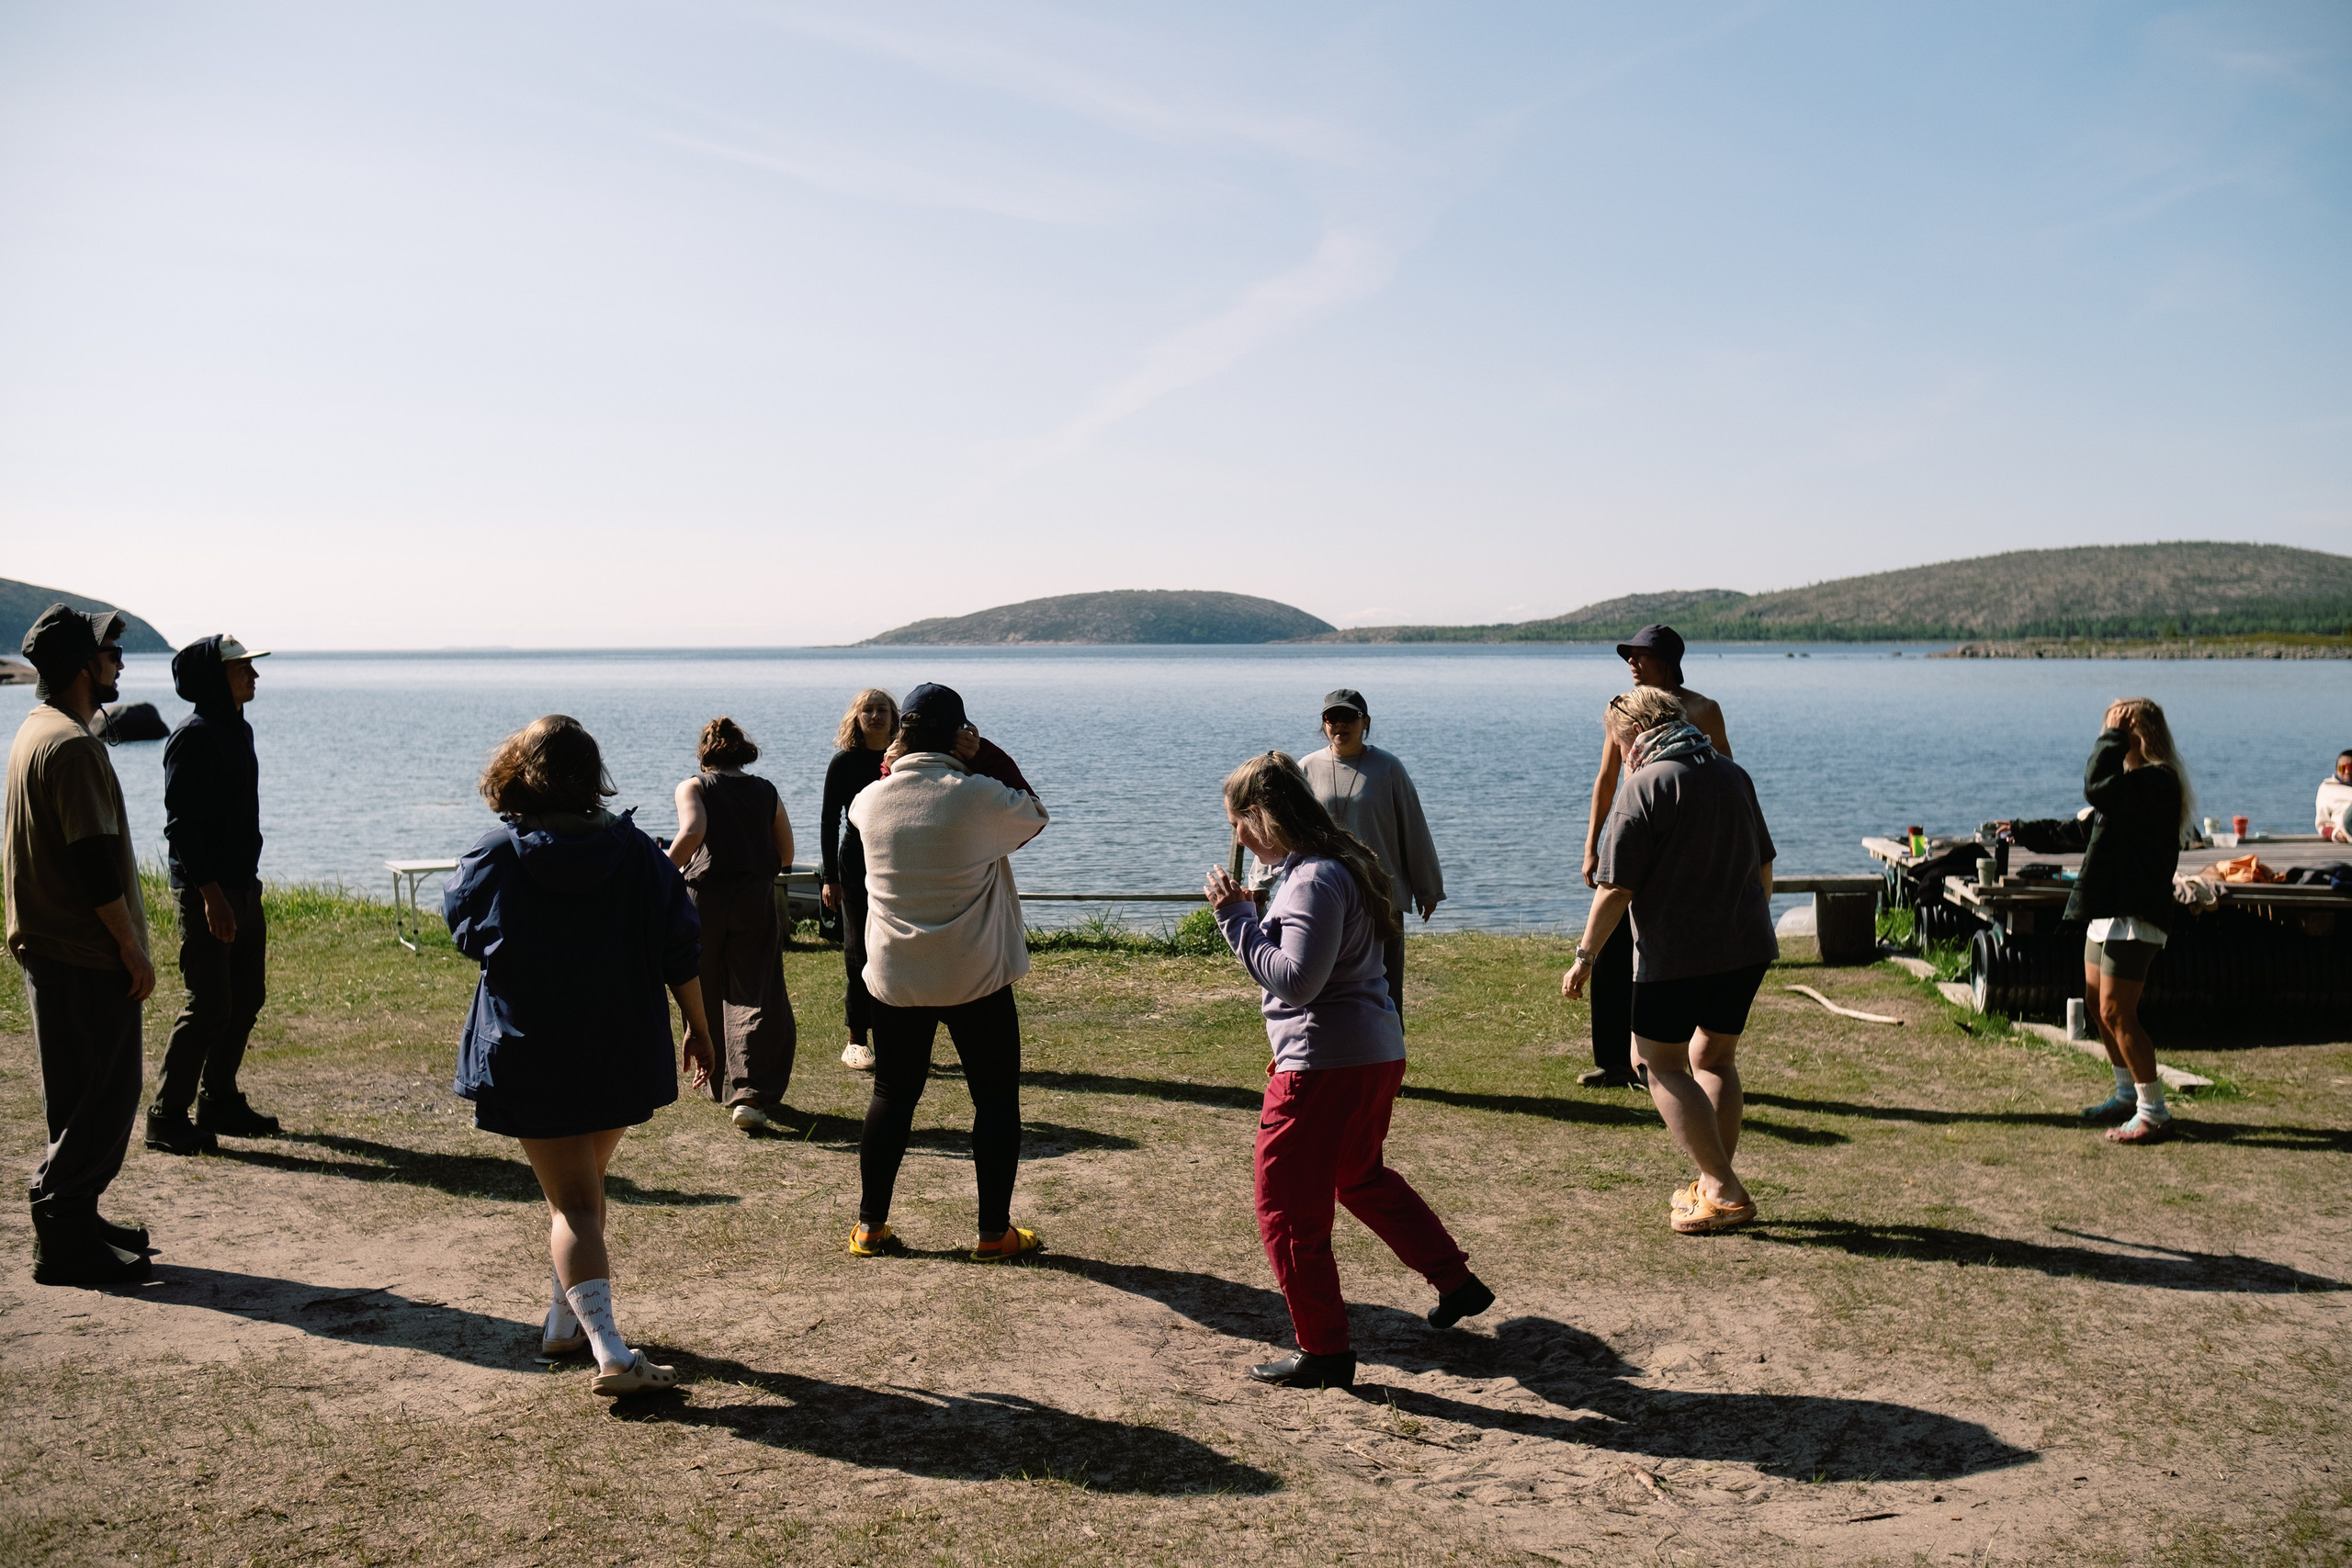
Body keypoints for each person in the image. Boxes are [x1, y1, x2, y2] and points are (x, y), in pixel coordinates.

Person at [443, 715, 716, 1396]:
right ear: (592, 775)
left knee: (575, 1204)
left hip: (533, 1052)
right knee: (584, 1196)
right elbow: (680, 945)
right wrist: (700, 1025)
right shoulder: (642, 855)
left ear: (518, 769)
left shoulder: (495, 854)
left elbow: (466, 930)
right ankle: (568, 1325)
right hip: (622, 1047)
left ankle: (609, 1350)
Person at [1205, 752, 1490, 1390]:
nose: (1237, 839)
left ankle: (1324, 1349)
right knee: (1358, 1175)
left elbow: (1300, 982)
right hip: (1371, 1051)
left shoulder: (1312, 879)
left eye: (1238, 824)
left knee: (1285, 1207)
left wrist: (1236, 921)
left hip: (1325, 1064)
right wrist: (1259, 911)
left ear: (1261, 814)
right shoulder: (1331, 865)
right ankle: (1456, 1281)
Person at [1562, 687, 1776, 1235]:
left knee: (1657, 1063)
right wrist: (1741, 926)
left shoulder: (1644, 785)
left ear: (1631, 734)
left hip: (1677, 954)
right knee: (1715, 1059)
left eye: (1614, 738)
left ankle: (1725, 1191)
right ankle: (1710, 1183)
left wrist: (1585, 958)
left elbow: (1614, 889)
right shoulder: (1733, 774)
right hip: (1746, 946)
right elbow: (1764, 868)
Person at [845, 683, 1048, 1263]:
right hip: (975, 973)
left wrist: (905, 755)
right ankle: (993, 1234)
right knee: (994, 1101)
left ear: (902, 734)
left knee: (892, 1094)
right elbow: (1033, 813)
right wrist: (984, 754)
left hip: (895, 973)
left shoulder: (868, 803)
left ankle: (870, 1228)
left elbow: (891, 774)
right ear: (960, 734)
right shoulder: (978, 795)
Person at [6, 605, 155, 1285]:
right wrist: (131, 949)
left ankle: (79, 1218)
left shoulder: (37, 729)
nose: (119, 662)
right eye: (108, 652)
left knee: (77, 1094)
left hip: (52, 947)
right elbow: (94, 863)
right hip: (84, 953)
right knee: (106, 1094)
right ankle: (61, 1230)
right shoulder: (70, 744)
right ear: (79, 665)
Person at [1579, 625, 1733, 1089]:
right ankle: (1613, 1061)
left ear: (1667, 660)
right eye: (1628, 655)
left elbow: (1725, 775)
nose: (1631, 663)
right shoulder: (1622, 712)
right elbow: (1607, 779)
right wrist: (1592, 844)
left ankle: (1665, 1059)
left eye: (1640, 656)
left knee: (1667, 952)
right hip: (1631, 837)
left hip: (1682, 845)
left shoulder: (1703, 709)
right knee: (1610, 949)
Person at [145, 635, 279, 1156]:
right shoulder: (193, 737)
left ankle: (218, 1098)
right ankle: (166, 1117)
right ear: (213, 677)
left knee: (247, 996)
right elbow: (181, 827)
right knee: (208, 1004)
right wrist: (211, 896)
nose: (254, 675)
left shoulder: (236, 729)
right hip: (209, 895)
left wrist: (242, 888)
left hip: (243, 888)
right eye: (242, 668)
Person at [667, 717, 799, 1136]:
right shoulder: (766, 791)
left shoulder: (693, 786)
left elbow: (693, 831)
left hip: (704, 896)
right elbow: (786, 853)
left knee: (702, 987)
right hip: (755, 899)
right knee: (755, 990)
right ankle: (747, 1092)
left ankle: (718, 1079)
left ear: (704, 753)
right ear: (743, 751)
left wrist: (663, 872)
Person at [2067, 699, 2191, 1145]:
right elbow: (2082, 825)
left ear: (2136, 734)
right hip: (2108, 911)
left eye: (2116, 729)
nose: (2107, 736)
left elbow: (2095, 788)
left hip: (2136, 914)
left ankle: (2154, 1113)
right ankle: (2125, 1096)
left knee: (2119, 1012)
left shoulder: (2158, 782)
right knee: (2098, 1008)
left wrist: (2110, 739)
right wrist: (2017, 829)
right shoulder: (2130, 785)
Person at [1301, 689, 1443, 1022]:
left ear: (1365, 722)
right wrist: (1260, 880)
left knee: (1385, 983)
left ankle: (1389, 1057)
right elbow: (1288, 829)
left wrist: (1428, 889)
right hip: (1325, 895)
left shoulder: (1388, 767)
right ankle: (1336, 1059)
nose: (1340, 724)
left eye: (1349, 717)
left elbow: (1414, 828)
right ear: (1324, 724)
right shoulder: (1307, 767)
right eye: (1332, 717)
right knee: (1326, 980)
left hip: (1381, 895)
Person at [820, 689, 898, 1071]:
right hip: (855, 862)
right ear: (857, 717)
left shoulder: (903, 760)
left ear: (894, 717)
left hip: (898, 860)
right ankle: (857, 1038)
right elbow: (828, 821)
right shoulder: (844, 763)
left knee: (896, 946)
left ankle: (895, 1031)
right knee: (858, 949)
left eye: (883, 709)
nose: (876, 715)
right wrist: (829, 878)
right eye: (868, 709)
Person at [2316, 750, 2351, 844]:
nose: (2347, 772)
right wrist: (2336, 834)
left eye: (2351, 768)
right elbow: (2322, 825)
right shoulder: (2327, 788)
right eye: (2342, 768)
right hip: (2347, 828)